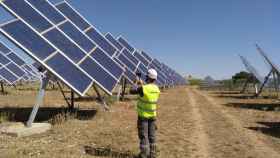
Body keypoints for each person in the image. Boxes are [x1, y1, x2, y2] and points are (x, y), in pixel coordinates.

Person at [130, 69, 161, 158]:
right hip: (153, 116)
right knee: (152, 136)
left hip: (143, 117)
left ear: (147, 77)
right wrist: (142, 83)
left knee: (144, 136)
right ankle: (153, 154)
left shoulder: (144, 88)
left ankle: (143, 155)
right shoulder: (157, 89)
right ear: (155, 79)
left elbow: (132, 90)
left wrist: (136, 81)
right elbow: (146, 90)